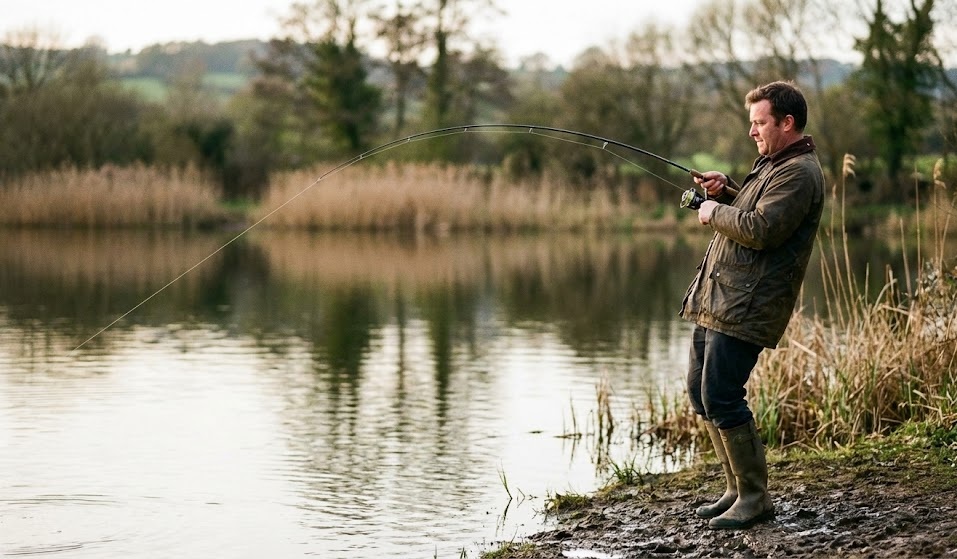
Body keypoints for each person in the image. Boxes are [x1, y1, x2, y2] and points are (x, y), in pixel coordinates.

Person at [679, 80, 825, 530]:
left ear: (787, 122)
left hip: (747, 305)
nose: (752, 132)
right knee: (701, 393)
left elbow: (763, 229)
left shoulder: (799, 172)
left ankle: (755, 498)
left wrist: (711, 212)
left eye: (759, 123)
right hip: (720, 298)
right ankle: (735, 490)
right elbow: (754, 207)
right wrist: (727, 192)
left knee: (722, 395)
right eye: (751, 123)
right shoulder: (773, 164)